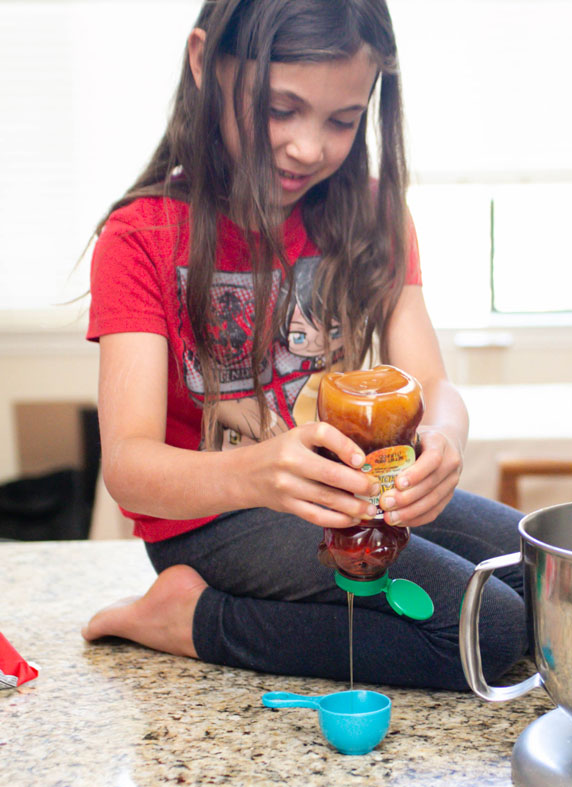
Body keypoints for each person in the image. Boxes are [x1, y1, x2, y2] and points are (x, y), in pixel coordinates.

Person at [81, 0, 527, 691]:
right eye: (279, 109)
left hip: (348, 497)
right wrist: (259, 473)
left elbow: (434, 387)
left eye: (342, 120)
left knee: (546, 576)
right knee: (490, 631)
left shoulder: (374, 212)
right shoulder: (140, 238)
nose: (309, 147)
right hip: (212, 519)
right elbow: (130, 467)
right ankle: (193, 618)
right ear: (204, 63)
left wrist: (444, 438)